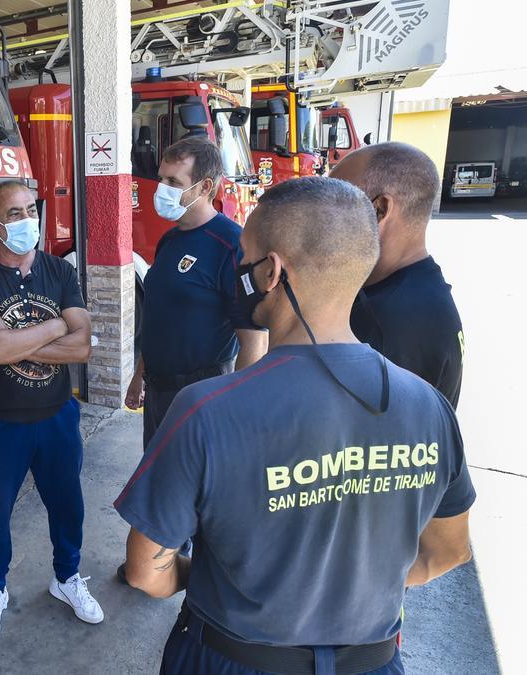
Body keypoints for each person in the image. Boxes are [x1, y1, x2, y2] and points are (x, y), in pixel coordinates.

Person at [115, 177, 476, 675]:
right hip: (372, 662)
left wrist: (216, 576)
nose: (235, 273)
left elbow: (144, 572)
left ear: (271, 271)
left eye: (243, 257)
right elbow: (448, 552)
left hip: (229, 659)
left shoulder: (205, 410)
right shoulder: (430, 408)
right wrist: (352, 587)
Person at [0, 180, 103, 643]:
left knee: (67, 505)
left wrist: (21, 336)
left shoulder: (60, 270)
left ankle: (67, 578)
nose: (25, 221)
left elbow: (82, 347)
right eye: (13, 213)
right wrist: (56, 324)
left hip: (56, 415)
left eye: (30, 210)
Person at [124, 137, 267, 449]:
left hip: (203, 393)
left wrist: (231, 408)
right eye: (161, 178)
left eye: (174, 181)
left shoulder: (232, 245)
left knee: (195, 489)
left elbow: (254, 342)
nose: (161, 188)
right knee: (160, 480)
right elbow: (160, 315)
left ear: (204, 187)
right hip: (159, 392)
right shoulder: (169, 240)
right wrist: (139, 376)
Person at [330, 142, 465, 406]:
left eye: (335, 203)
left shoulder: (389, 323)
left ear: (379, 209)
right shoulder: (420, 289)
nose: (324, 220)